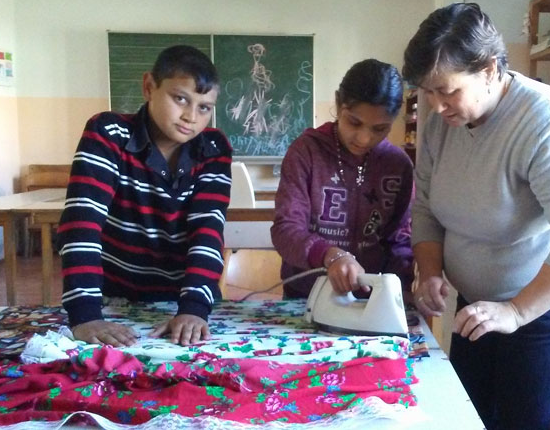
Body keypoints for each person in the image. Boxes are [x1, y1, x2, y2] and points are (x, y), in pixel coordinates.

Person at [403, 3, 550, 430]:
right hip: (480, 305)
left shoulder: (548, 120)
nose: (436, 105)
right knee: (468, 418)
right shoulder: (443, 120)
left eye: (446, 90)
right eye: (427, 92)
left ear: (488, 69)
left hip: (547, 310)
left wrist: (516, 312)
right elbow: (425, 207)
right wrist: (430, 273)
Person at [58, 45, 231, 348]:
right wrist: (85, 315)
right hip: (112, 301)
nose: (191, 116)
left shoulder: (213, 150)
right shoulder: (108, 134)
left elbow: (207, 230)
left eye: (204, 107)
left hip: (185, 301)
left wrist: (194, 308)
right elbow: (82, 223)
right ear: (149, 86)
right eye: (180, 99)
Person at [271, 59, 414, 298]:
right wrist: (329, 255)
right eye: (354, 122)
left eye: (379, 129)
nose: (364, 138)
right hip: (307, 294)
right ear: (338, 104)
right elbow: (286, 229)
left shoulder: (398, 165)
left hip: (373, 297)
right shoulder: (306, 152)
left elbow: (400, 240)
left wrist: (402, 289)